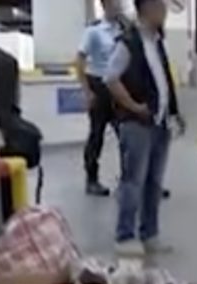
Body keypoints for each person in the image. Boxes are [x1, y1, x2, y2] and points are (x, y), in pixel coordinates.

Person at [104, 0, 185, 257]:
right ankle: (125, 235)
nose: (164, 13)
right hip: (137, 124)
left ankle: (150, 234)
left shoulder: (157, 42)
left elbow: (164, 81)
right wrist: (133, 106)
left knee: (154, 182)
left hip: (159, 122)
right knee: (133, 181)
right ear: (147, 9)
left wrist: (173, 111)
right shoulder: (129, 43)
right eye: (160, 7)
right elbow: (111, 78)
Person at [77, 0, 127, 197]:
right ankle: (91, 179)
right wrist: (87, 92)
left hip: (118, 87)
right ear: (105, 5)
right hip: (98, 85)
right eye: (115, 3)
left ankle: (129, 179)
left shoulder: (124, 29)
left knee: (126, 136)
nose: (119, 6)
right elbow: (79, 60)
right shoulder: (94, 32)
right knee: (96, 135)